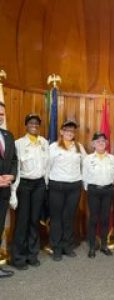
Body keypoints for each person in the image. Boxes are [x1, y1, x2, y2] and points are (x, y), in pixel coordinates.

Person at [10, 114, 49, 270]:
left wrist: (45, 186)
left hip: (39, 185)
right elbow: (16, 169)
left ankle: (32, 255)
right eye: (31, 123)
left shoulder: (44, 142)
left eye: (37, 123)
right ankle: (18, 258)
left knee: (34, 221)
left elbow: (46, 167)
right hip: (24, 185)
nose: (34, 125)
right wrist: (13, 192)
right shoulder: (18, 144)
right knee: (22, 222)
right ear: (26, 125)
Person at [49, 120, 86, 261]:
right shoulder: (53, 147)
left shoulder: (79, 147)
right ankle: (56, 248)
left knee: (69, 217)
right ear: (61, 132)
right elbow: (48, 166)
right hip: (56, 186)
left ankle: (67, 246)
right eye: (67, 130)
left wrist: (83, 181)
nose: (70, 133)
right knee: (56, 218)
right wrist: (47, 185)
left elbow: (85, 165)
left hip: (74, 187)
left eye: (72, 131)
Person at [83, 132, 114, 258]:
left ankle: (104, 245)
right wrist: (89, 188)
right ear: (93, 144)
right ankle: (92, 246)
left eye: (103, 140)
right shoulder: (88, 159)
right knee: (93, 219)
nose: (101, 143)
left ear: (106, 143)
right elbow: (84, 176)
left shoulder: (112, 158)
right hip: (93, 191)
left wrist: (109, 186)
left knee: (104, 219)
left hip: (107, 191)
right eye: (97, 141)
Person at [0, 102, 17, 278]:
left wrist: (11, 176)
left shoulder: (8, 135)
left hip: (4, 191)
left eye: (2, 114)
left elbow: (13, 160)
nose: (0, 116)